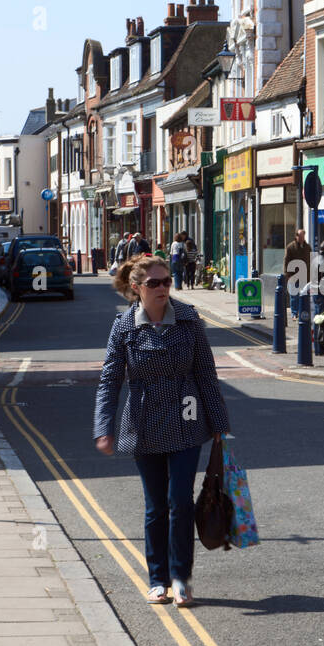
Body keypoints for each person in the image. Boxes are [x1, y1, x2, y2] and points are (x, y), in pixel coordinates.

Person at [94, 254, 231, 607]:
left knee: (180, 502)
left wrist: (219, 425)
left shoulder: (189, 320)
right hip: (144, 425)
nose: (162, 288)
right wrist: (103, 428)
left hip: (187, 422)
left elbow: (206, 375)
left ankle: (181, 578)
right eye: (154, 283)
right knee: (155, 506)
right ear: (136, 288)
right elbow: (109, 381)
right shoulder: (123, 327)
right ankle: (157, 579)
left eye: (167, 281)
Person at [284, 229, 311, 321]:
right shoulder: (290, 247)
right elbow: (286, 261)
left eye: (303, 236)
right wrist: (287, 274)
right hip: (294, 275)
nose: (302, 238)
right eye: (300, 236)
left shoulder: (308, 247)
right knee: (294, 296)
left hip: (305, 275)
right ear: (296, 236)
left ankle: (302, 312)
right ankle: (294, 313)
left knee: (304, 295)